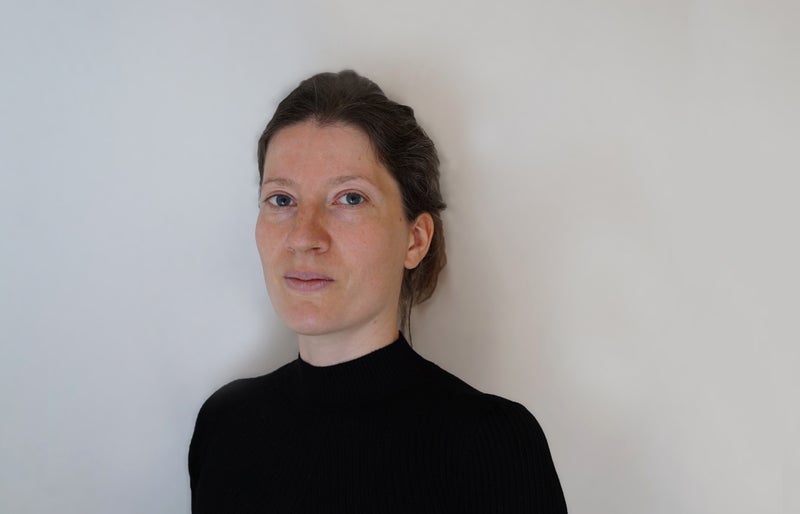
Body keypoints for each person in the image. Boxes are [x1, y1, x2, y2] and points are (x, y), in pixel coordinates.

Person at [188, 70, 568, 513]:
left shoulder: (493, 445)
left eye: (350, 198)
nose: (303, 237)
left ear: (415, 240)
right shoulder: (224, 424)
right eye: (282, 199)